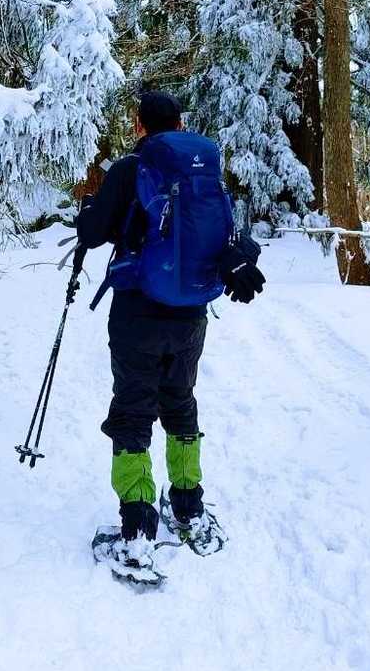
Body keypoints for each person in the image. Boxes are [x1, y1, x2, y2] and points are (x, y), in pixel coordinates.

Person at [76, 90, 264, 573]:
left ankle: (137, 526)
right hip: (190, 313)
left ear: (139, 126)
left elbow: (92, 233)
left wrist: (90, 211)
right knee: (180, 401)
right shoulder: (201, 173)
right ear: (180, 124)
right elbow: (220, 233)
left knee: (133, 408)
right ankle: (188, 507)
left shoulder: (129, 169)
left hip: (137, 312)